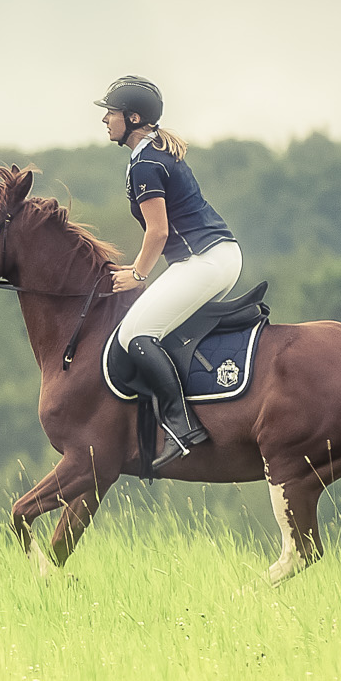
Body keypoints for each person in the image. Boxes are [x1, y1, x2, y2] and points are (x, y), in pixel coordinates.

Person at [98, 75, 241, 467]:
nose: (105, 120)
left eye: (110, 113)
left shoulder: (145, 163)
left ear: (132, 117)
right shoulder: (154, 151)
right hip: (215, 257)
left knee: (135, 334)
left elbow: (158, 231)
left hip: (204, 260)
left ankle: (182, 427)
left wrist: (138, 275)